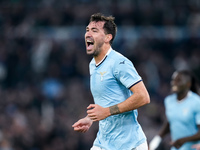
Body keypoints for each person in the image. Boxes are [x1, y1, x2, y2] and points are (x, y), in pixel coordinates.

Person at [72, 13, 150, 150]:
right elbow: (106, 100)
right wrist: (90, 119)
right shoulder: (93, 65)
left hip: (129, 144)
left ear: (108, 37)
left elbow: (143, 97)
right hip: (104, 142)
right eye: (87, 30)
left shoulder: (119, 62)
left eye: (94, 31)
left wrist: (107, 112)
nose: (88, 34)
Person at [149, 70, 200, 150]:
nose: (174, 83)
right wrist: (156, 140)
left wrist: (184, 140)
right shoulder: (169, 101)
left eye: (178, 80)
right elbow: (170, 122)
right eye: (173, 80)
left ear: (188, 84)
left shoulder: (196, 102)